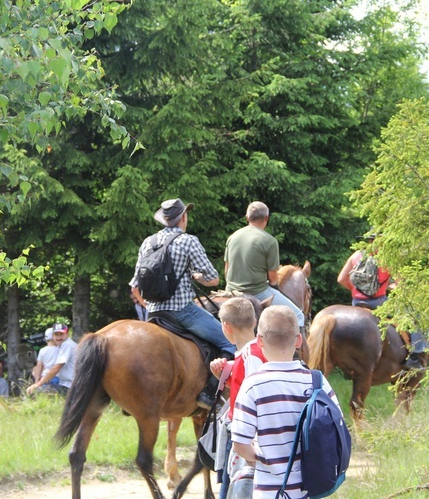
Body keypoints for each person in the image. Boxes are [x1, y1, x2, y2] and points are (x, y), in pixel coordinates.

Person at [129, 198, 236, 409]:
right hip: (183, 312)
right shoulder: (188, 241)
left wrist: (149, 305)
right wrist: (197, 277)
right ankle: (209, 393)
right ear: (183, 218)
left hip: (153, 313)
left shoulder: (147, 242)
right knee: (230, 342)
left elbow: (134, 286)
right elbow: (213, 279)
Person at [230, 306, 340, 499]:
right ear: (298, 340)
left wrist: (261, 459)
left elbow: (240, 444)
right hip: (311, 487)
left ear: (259, 340)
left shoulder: (252, 385)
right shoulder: (317, 380)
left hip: (269, 491)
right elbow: (336, 428)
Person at [337, 232, 425, 370]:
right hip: (379, 303)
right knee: (414, 318)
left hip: (356, 303)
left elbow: (341, 279)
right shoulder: (387, 259)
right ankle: (414, 356)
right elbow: (400, 286)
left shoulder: (356, 255)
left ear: (369, 241)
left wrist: (356, 291)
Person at [209, 297, 267, 499]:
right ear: (254, 322)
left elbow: (256, 398)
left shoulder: (251, 355)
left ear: (226, 327)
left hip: (245, 435)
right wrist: (225, 379)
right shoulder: (250, 352)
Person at [224, 201, 305, 330]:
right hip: (257, 292)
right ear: (266, 218)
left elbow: (227, 270)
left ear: (247, 218)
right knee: (299, 316)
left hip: (231, 290)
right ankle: (295, 350)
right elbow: (273, 279)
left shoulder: (232, 237)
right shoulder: (270, 241)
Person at [26, 323, 77, 395]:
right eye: (56, 335)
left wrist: (38, 384)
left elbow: (56, 368)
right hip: (66, 384)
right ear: (52, 336)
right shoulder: (62, 346)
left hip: (69, 386)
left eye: (61, 334)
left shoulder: (67, 345)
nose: (59, 337)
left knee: (33, 392)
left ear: (67, 334)